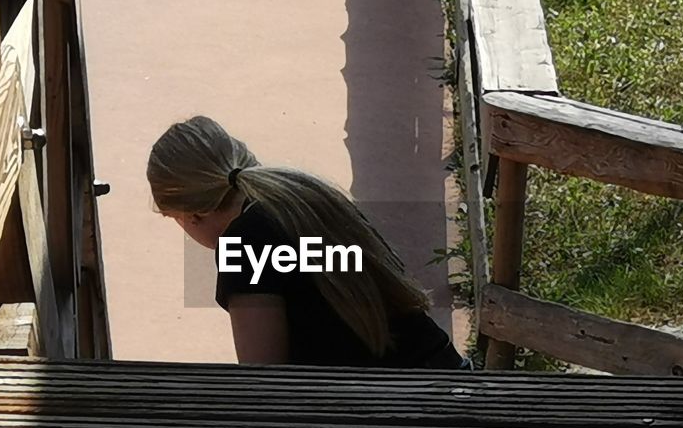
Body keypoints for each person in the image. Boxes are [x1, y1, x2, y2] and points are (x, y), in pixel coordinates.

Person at [146, 116, 469, 369]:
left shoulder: (243, 245)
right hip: (438, 373)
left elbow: (265, 383)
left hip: (397, 414)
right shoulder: (302, 193)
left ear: (193, 214)